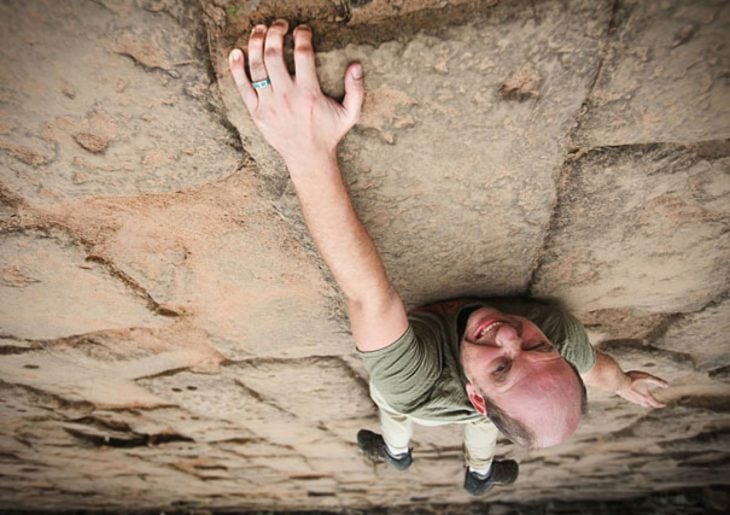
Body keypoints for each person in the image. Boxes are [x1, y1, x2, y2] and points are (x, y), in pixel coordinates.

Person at [227, 20, 669, 496]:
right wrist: (622, 382)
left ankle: (396, 452)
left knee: (394, 411)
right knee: (491, 427)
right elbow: (590, 368)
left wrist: (306, 149)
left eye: (503, 366)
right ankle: (478, 475)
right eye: (538, 348)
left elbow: (368, 297)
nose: (508, 335)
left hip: (427, 403)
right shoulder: (561, 339)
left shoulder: (414, 384)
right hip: (493, 408)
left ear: (476, 394)